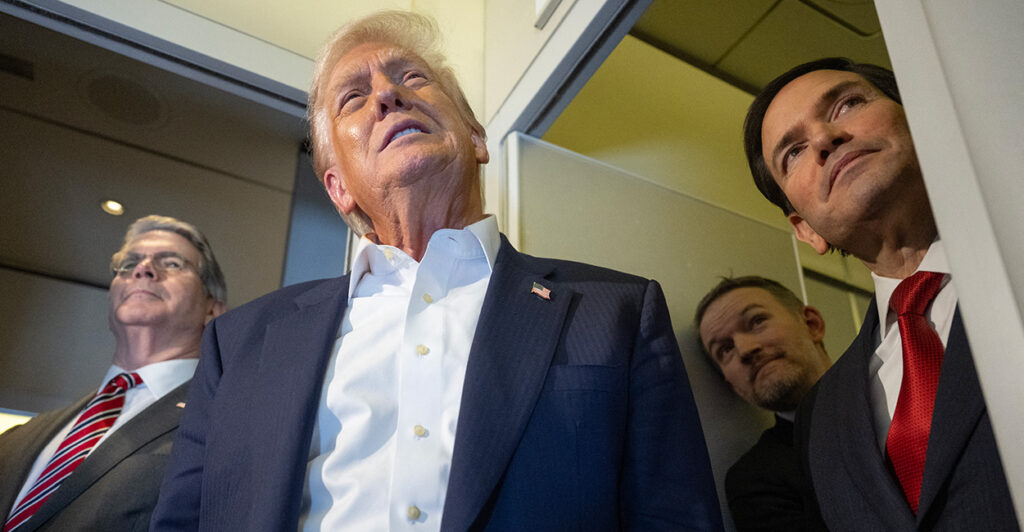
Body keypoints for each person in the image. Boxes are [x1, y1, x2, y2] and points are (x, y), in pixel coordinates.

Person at [151, 10, 721, 532]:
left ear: (476, 137)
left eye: (413, 78)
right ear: (338, 187)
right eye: (353, 98)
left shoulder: (616, 309)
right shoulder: (240, 342)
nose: (388, 96)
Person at [744, 57, 1019, 530]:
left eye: (847, 104)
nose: (825, 141)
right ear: (806, 230)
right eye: (793, 153)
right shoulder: (819, 419)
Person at [0, 215, 226, 531]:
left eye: (172, 263)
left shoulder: (227, 425)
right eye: (129, 263)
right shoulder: (16, 438)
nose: (143, 269)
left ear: (212, 309)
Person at [695, 276, 830, 531]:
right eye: (724, 349)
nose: (745, 349)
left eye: (757, 322)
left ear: (811, 324)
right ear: (729, 382)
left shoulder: (900, 392)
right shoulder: (755, 481)